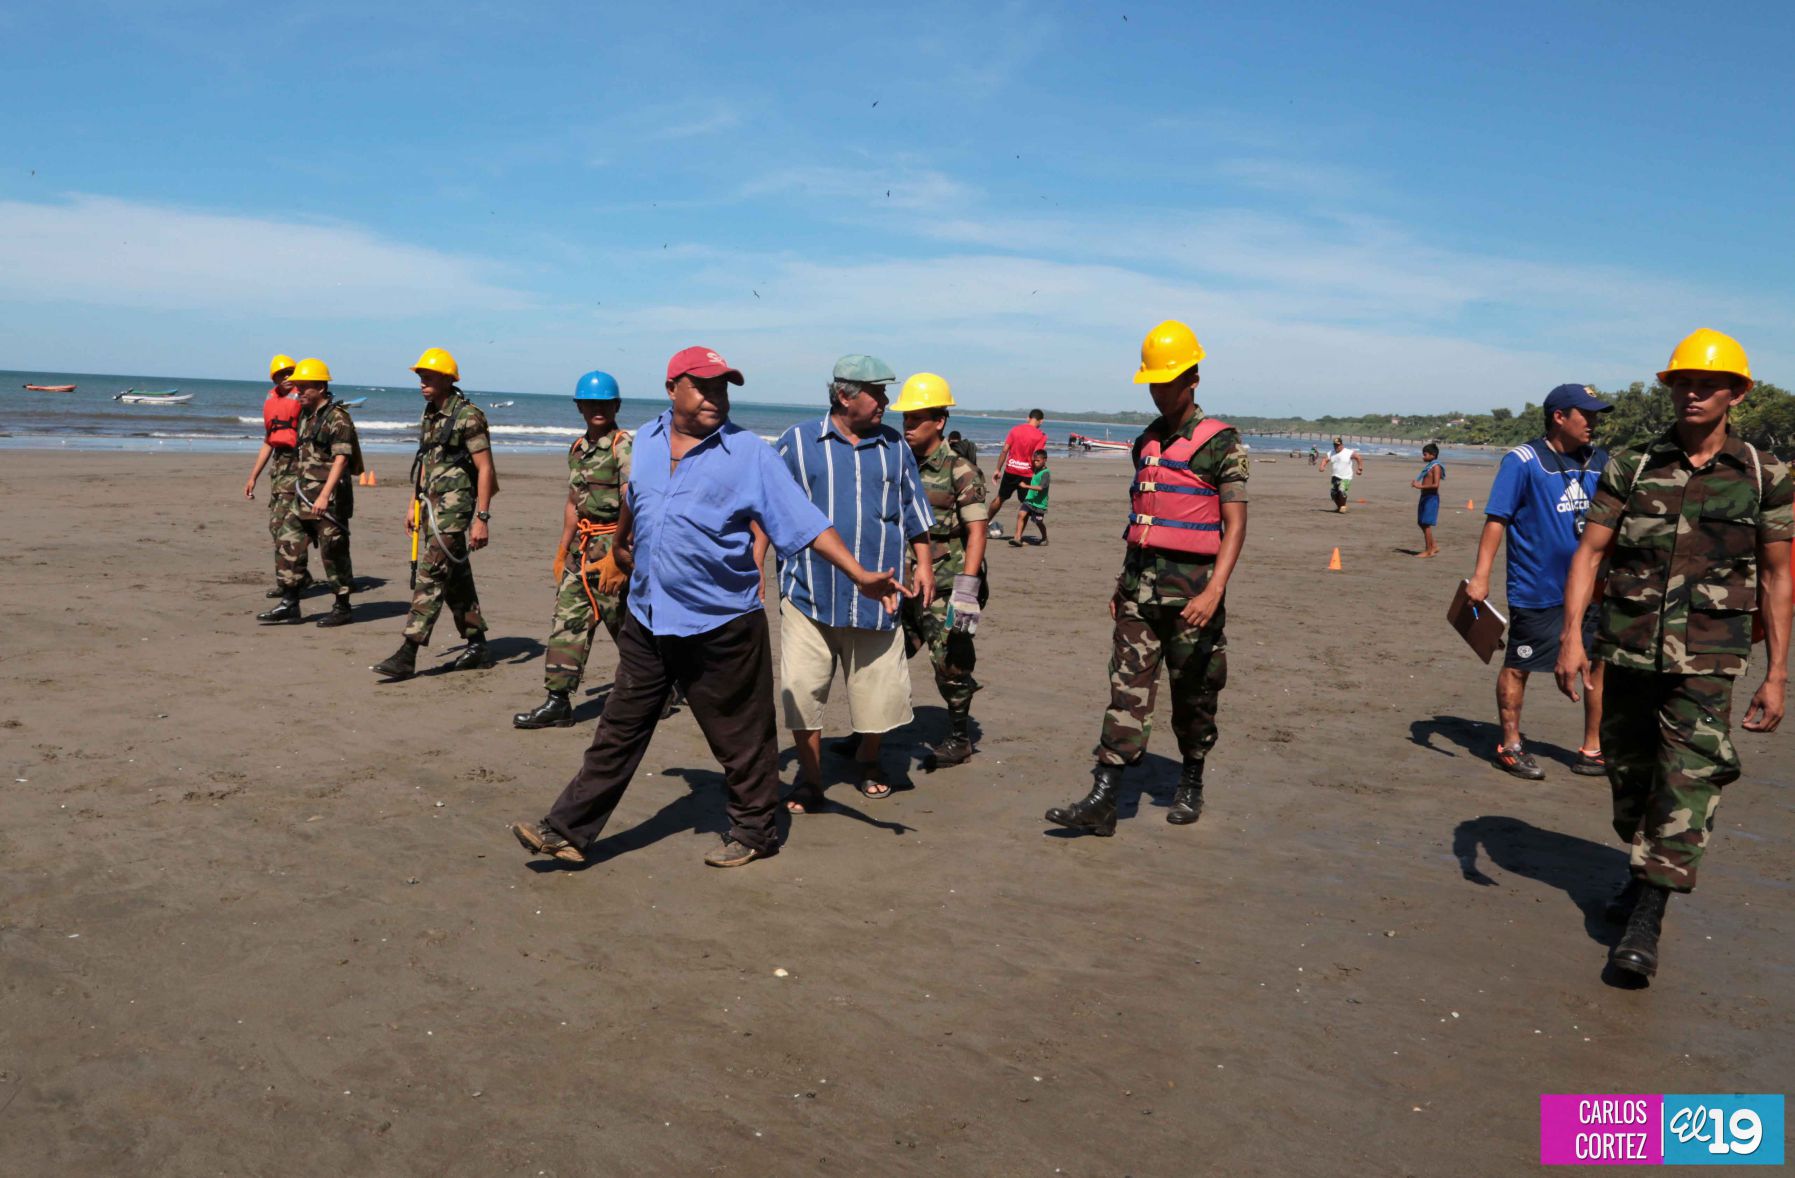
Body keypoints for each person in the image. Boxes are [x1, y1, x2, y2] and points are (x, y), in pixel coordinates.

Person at [509, 346, 908, 870]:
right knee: (617, 731)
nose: (714, 398)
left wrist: (858, 574)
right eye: (703, 387)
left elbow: (804, 521)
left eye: (722, 389)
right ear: (672, 387)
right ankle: (567, 830)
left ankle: (757, 832)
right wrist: (621, 547)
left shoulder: (749, 454)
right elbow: (636, 497)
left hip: (721, 623)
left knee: (740, 739)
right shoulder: (645, 442)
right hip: (650, 617)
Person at [1556, 329, 1792, 980]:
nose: (1692, 394)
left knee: (1688, 778)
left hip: (1709, 659)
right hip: (1626, 650)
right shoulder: (1630, 464)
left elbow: (1777, 577)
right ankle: (1640, 868)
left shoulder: (1762, 475)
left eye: (1707, 384)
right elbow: (1591, 553)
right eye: (1682, 382)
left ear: (1735, 393)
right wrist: (1572, 636)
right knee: (1629, 780)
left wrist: (1776, 675)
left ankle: (1647, 918)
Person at [1046, 319, 1247, 836]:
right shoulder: (1144, 444)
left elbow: (1235, 524)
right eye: (1153, 383)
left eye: (1168, 381)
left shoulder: (1221, 444)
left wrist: (1214, 590)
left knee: (1195, 696)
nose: (1160, 392)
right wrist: (1121, 585)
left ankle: (1192, 779)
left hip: (1193, 598)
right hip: (1139, 594)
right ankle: (1104, 800)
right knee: (1126, 691)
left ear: (1193, 379)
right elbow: (1142, 522)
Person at [770, 355, 933, 809]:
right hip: (809, 592)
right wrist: (752, 563)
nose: (886, 401)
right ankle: (810, 775)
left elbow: (914, 510)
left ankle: (869, 760)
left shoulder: (895, 447)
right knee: (802, 691)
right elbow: (767, 510)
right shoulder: (797, 443)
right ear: (844, 395)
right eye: (877, 392)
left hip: (880, 595)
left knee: (877, 690)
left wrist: (924, 564)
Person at [1465, 384, 1612, 779]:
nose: (1594, 423)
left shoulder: (1600, 459)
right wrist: (1481, 577)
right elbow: (1498, 519)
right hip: (1537, 587)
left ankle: (1592, 749)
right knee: (1519, 664)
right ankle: (1510, 745)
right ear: (1559, 417)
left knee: (1597, 665)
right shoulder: (1523, 460)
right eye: (1588, 415)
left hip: (1593, 587)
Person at [513, 371, 635, 729]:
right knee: (567, 622)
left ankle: (659, 687)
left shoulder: (622, 446)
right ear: (580, 407)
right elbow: (573, 503)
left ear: (616, 406)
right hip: (582, 551)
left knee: (626, 627)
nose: (598, 409)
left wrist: (620, 552)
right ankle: (558, 701)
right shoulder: (577, 449)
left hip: (614, 548)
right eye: (591, 403)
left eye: (605, 403)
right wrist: (561, 549)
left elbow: (636, 500)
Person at [372, 349, 499, 680]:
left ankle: (408, 651)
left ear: (447, 378)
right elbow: (426, 465)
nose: (422, 383)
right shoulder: (430, 414)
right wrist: (412, 504)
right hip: (430, 506)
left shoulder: (468, 417)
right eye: (420, 377)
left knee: (431, 575)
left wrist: (482, 519)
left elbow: (485, 469)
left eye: (428, 377)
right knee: (455, 577)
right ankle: (477, 644)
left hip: (456, 509)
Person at [894, 372, 990, 767]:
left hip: (948, 585)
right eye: (906, 419)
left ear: (940, 421)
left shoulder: (959, 470)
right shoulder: (899, 463)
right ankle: (872, 731)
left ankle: (958, 736)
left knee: (950, 661)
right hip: (904, 583)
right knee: (885, 657)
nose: (909, 427)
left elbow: (978, 531)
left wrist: (967, 589)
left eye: (917, 419)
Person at [257, 358, 358, 626]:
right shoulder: (304, 417)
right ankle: (290, 602)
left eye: (304, 388)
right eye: (297, 388)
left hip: (329, 497)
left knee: (333, 550)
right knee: (288, 541)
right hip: (301, 493)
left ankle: (342, 605)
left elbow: (342, 459)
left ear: (321, 388)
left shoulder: (338, 418)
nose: (298, 392)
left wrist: (325, 495)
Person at [242, 354, 304, 598]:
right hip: (279, 468)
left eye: (290, 373)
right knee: (276, 527)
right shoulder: (273, 401)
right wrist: (252, 476)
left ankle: (291, 582)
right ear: (274, 379)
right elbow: (269, 441)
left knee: (292, 528)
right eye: (281, 375)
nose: (287, 378)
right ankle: (290, 578)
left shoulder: (305, 400)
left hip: (299, 466)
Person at [990, 409, 1048, 517]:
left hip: (1011, 471)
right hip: (1027, 474)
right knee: (1026, 504)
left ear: (1028, 418)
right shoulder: (1041, 436)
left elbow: (1004, 450)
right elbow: (1037, 457)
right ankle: (1018, 534)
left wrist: (998, 469)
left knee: (1000, 498)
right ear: (1041, 421)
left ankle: (984, 525)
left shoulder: (1015, 430)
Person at [1410, 443, 1445, 557]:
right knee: (1421, 522)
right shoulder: (1430, 465)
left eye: (1425, 455)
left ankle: (1428, 550)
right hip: (1425, 496)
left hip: (1431, 497)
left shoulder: (1436, 467)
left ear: (1433, 454)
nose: (1423, 457)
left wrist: (1420, 486)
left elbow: (1435, 485)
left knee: (1426, 524)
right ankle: (1433, 545)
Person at [1009, 448, 1050, 546]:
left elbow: (1040, 488)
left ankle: (1044, 538)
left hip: (1039, 503)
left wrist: (1026, 486)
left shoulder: (1046, 473)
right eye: (1034, 460)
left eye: (1038, 461)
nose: (1035, 462)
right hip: (1029, 499)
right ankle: (1017, 538)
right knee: (1021, 515)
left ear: (1045, 460)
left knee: (1038, 522)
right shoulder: (1036, 469)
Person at [1321, 437, 1363, 512]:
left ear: (1342, 445)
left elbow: (1358, 457)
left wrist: (1359, 468)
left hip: (1346, 477)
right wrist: (1322, 466)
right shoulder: (1331, 452)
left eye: (1338, 445)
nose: (1336, 447)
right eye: (1335, 445)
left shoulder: (1348, 452)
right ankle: (1340, 507)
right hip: (1335, 476)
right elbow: (1325, 459)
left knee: (1342, 490)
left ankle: (1343, 506)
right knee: (1334, 494)